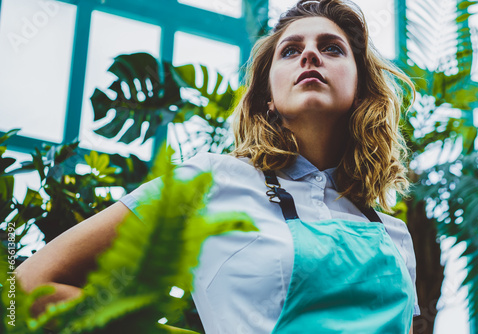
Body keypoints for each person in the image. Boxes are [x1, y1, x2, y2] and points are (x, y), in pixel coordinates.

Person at [17, 0, 420, 333]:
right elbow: (29, 286)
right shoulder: (211, 181)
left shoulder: (393, 235)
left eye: (332, 48)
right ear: (268, 99)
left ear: (360, 90)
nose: (310, 54)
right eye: (291, 51)